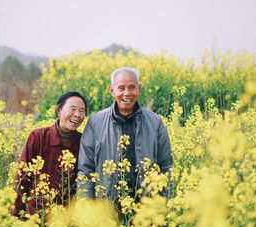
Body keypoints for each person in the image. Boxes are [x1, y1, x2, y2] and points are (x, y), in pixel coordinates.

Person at [77, 67, 173, 202]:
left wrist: (165, 205)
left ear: (139, 89)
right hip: (107, 206)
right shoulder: (95, 122)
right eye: (121, 88)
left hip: (146, 206)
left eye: (132, 87)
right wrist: (86, 206)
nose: (127, 93)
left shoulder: (155, 122)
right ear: (112, 91)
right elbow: (85, 169)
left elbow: (166, 167)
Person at [13, 91, 87, 218]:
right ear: (58, 111)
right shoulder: (38, 137)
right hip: (35, 216)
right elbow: (22, 178)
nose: (77, 115)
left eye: (82, 111)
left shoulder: (84, 142)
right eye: (73, 109)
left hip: (66, 221)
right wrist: (16, 214)